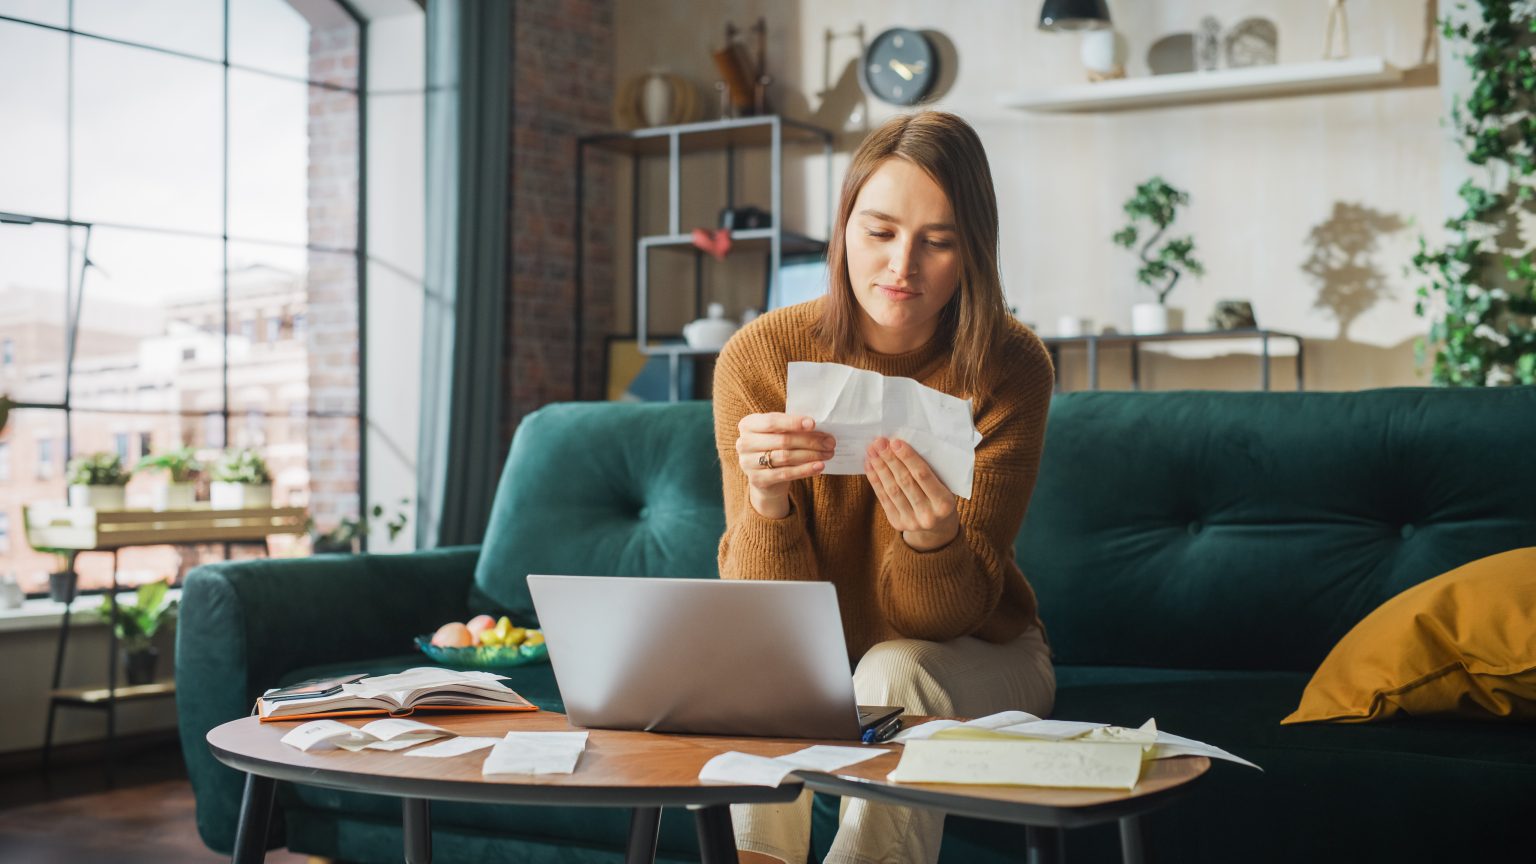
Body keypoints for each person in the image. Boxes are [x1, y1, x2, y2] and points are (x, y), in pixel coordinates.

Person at [712, 110, 1057, 864]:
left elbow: (941, 619)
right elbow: (765, 622)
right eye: (879, 232)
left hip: (974, 650)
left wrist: (932, 540)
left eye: (938, 241)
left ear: (973, 253)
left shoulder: (1010, 367)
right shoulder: (759, 357)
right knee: (760, 678)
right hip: (815, 663)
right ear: (841, 233)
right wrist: (766, 503)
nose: (903, 265)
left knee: (893, 667)